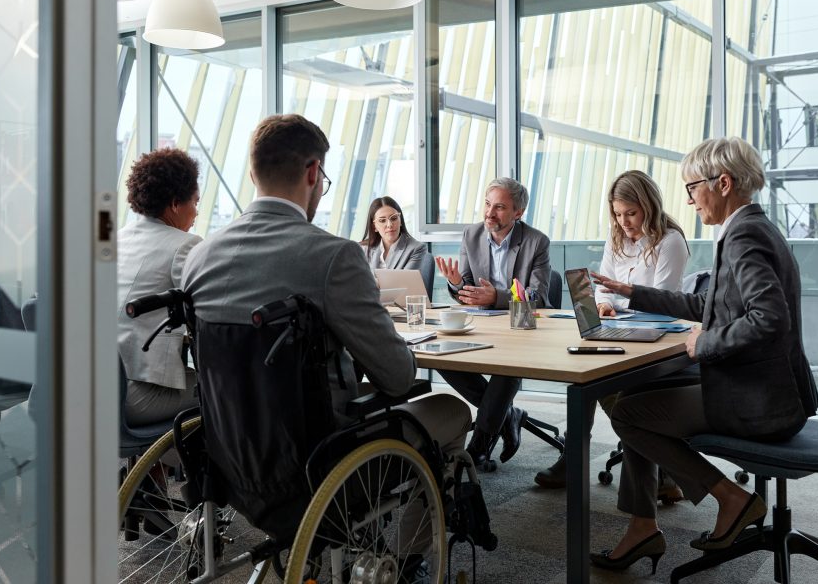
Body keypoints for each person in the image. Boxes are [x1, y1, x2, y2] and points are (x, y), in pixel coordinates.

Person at [181, 114, 471, 557]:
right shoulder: (334, 256)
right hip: (317, 465)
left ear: (253, 171)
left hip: (229, 459)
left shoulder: (199, 257)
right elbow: (396, 377)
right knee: (450, 409)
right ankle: (408, 557)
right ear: (314, 172)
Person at [588, 137, 818, 573]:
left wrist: (705, 343)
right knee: (637, 391)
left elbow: (769, 317)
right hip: (766, 386)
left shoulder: (743, 235)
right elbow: (706, 306)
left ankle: (730, 498)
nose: (690, 199)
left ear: (724, 183)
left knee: (627, 415)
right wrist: (634, 292)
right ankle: (643, 525)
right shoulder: (752, 227)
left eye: (693, 187)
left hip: (757, 399)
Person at [534, 170, 690, 490]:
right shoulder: (616, 237)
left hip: (655, 339)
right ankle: (642, 460)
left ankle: (656, 460)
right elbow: (604, 287)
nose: (624, 222)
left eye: (631, 213)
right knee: (585, 366)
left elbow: (659, 303)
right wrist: (604, 303)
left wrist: (616, 303)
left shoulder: (671, 241)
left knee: (596, 381)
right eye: (618, 214)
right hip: (621, 329)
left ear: (649, 206)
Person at [435, 177, 551, 468]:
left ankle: (478, 448)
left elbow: (537, 296)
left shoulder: (537, 241)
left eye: (499, 207)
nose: (489, 213)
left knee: (505, 370)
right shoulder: (471, 235)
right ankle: (509, 415)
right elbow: (467, 291)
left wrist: (496, 297)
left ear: (517, 213)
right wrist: (457, 283)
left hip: (520, 327)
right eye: (487, 204)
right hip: (482, 324)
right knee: (441, 356)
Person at [117, 147, 202, 427]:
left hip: (85, 386)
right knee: (223, 391)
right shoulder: (184, 245)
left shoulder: (115, 241)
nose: (197, 212)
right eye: (195, 202)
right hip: (134, 396)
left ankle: (154, 469)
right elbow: (206, 309)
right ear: (176, 204)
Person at [360, 196, 430, 287]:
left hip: (399, 301)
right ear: (374, 227)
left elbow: (403, 285)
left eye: (393, 218)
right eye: (382, 220)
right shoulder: (363, 249)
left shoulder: (416, 248)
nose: (389, 225)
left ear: (400, 221)